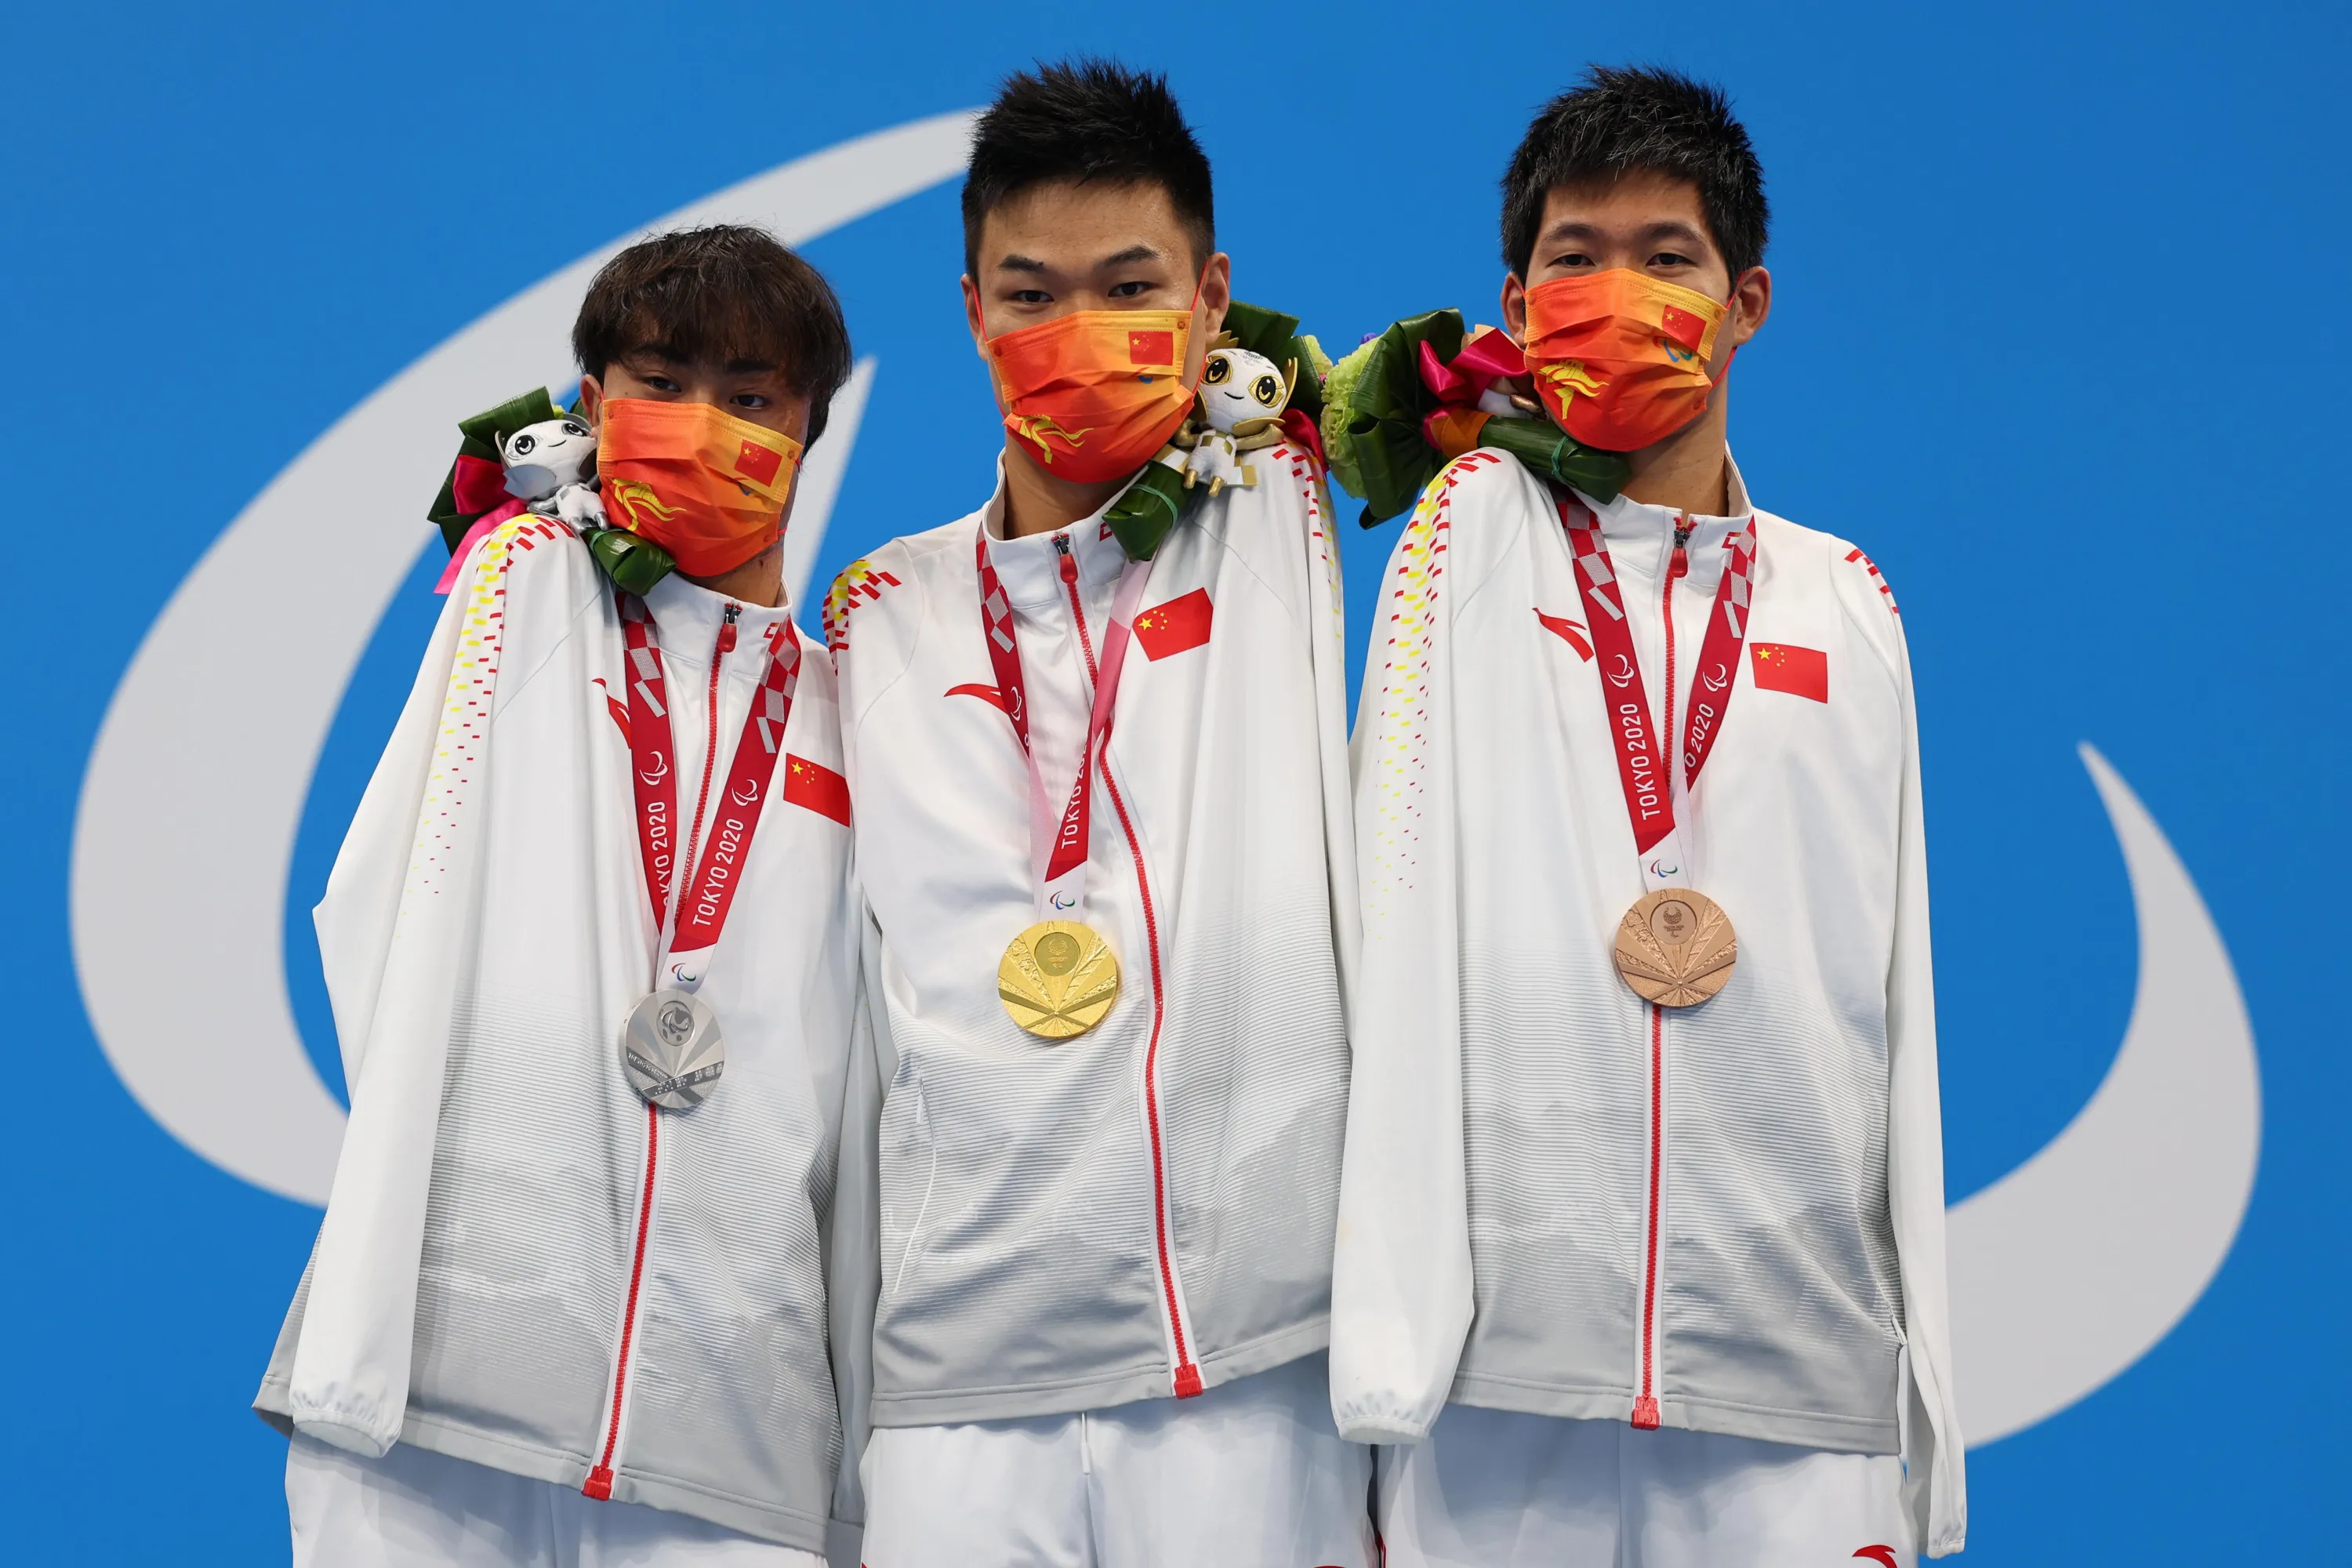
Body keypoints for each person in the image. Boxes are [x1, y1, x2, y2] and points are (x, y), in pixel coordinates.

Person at [1329, 66, 1965, 1565]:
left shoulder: (1847, 602)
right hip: (1498, 1384)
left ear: (1747, 302)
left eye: (1667, 258)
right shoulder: (1463, 548)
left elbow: (1897, 1002)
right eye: (1577, 258)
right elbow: (1383, 925)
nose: (1619, 293)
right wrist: (1390, 1351)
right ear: (1517, 304)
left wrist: (1923, 1388)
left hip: (1798, 1372)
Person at [825, 60, 1370, 1567]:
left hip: (1251, 1374)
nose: (1076, 333)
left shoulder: (1285, 505)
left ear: (1211, 299)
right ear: (970, 310)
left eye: (1129, 289)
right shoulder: (878, 616)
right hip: (955, 1388)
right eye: (1030, 294)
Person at [254, 225, 866, 1566]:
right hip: (437, 1390)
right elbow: (379, 909)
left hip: (732, 1426)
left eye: (750, 397)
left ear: (809, 428)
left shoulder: (853, 714)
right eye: (661, 384)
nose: (702, 424)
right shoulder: (523, 599)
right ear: (593, 406)